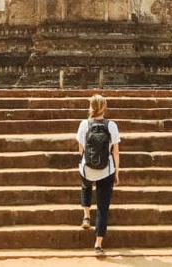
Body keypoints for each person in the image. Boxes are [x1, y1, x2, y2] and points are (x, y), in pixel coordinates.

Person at [76, 93, 121, 254]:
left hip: (87, 169)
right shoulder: (111, 125)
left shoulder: (84, 125)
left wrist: (82, 165)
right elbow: (115, 151)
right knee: (103, 207)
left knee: (85, 185)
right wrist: (116, 171)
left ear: (91, 107)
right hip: (106, 170)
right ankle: (98, 244)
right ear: (104, 108)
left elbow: (81, 149)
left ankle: (86, 215)